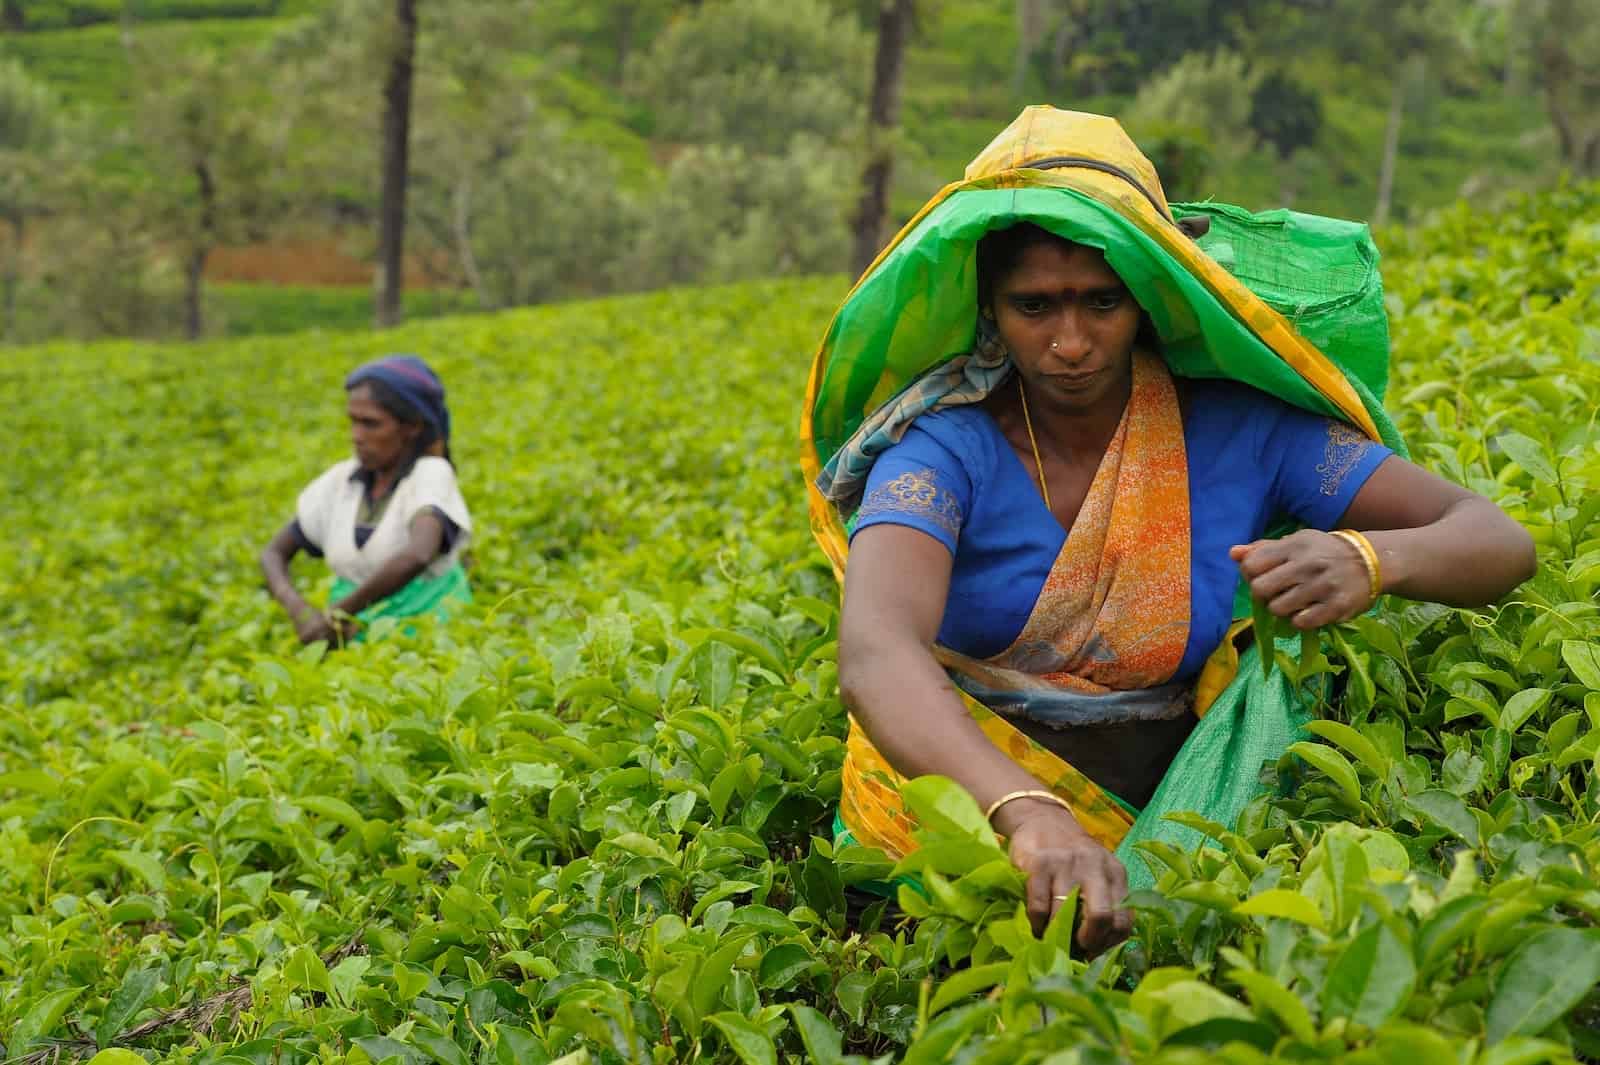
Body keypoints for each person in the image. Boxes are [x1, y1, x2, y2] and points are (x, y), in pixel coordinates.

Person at [801, 108, 1535, 955]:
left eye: (1101, 302)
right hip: (948, 835)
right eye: (1034, 305)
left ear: (1149, 297)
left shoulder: (1238, 430)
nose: (1070, 341)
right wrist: (1027, 813)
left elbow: (1493, 537)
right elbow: (876, 651)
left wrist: (1372, 557)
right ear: (992, 311)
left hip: (1174, 828)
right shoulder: (942, 450)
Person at [260, 355, 473, 645]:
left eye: (371, 424)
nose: (356, 436)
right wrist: (299, 609)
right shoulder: (340, 483)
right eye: (353, 422)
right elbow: (272, 554)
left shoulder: (430, 474)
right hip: (352, 639)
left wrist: (338, 615)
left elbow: (418, 554)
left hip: (430, 637)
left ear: (411, 427)